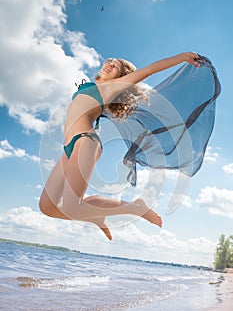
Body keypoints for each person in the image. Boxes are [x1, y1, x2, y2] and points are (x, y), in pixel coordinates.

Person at [39, 52, 202, 240]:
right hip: (68, 149)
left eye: (115, 66)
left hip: (84, 141)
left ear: (121, 77)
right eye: (108, 61)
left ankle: (135, 207)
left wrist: (183, 57)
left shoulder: (111, 87)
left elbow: (149, 70)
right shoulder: (93, 86)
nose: (109, 64)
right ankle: (96, 217)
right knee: (47, 207)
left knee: (71, 205)